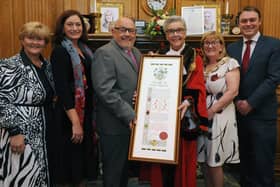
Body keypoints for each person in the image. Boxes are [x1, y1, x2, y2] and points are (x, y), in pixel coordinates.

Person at [139, 15, 209, 187]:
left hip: (183, 115)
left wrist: (187, 102)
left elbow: (199, 86)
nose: (175, 34)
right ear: (166, 34)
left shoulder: (195, 56)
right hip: (161, 116)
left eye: (179, 30)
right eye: (171, 31)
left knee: (183, 162)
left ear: (185, 33)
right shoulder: (159, 55)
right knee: (161, 159)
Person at [227, 6, 280, 187]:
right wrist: (236, 102)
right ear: (239, 24)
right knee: (244, 165)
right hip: (238, 115)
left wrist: (250, 102)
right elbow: (228, 79)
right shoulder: (231, 48)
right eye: (244, 21)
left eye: (252, 20)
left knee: (263, 166)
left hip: (262, 115)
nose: (248, 24)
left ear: (259, 22)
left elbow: (273, 78)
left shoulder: (274, 44)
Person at [0, 21, 54, 186]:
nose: (35, 43)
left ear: (45, 43)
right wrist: (15, 132)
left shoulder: (46, 66)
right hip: (20, 133)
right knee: (20, 176)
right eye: (31, 38)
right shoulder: (10, 65)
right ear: (22, 40)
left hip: (43, 130)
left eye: (40, 39)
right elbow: (2, 100)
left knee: (39, 176)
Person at [91, 17, 141, 187]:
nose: (127, 34)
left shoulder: (135, 52)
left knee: (124, 172)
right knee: (113, 172)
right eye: (122, 30)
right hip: (114, 124)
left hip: (131, 123)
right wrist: (129, 115)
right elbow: (105, 91)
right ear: (113, 31)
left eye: (131, 31)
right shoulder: (104, 53)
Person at [49, 9, 98, 186]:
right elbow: (62, 89)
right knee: (71, 166)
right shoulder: (60, 52)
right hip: (69, 115)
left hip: (85, 112)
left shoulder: (85, 49)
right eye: (70, 24)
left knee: (83, 163)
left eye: (78, 24)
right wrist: (75, 122)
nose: (75, 28)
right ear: (62, 28)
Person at [197, 31, 240, 187]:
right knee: (204, 160)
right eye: (206, 43)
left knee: (215, 161)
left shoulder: (230, 63)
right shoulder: (201, 65)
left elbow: (233, 91)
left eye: (215, 42)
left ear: (222, 46)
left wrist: (212, 110)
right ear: (202, 47)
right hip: (202, 117)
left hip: (220, 114)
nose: (210, 46)